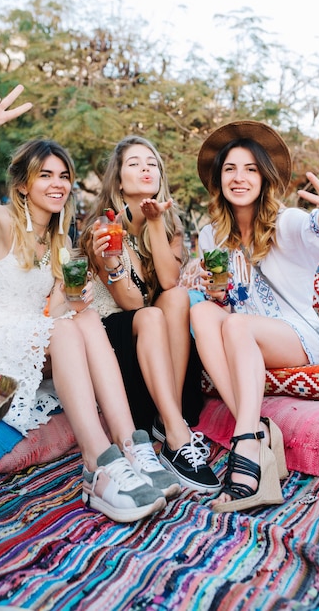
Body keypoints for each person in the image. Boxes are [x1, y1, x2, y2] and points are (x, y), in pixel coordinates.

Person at [0, 85, 181, 523]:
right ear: (25, 183)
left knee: (83, 317)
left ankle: (132, 446)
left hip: (32, 341)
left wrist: (75, 298)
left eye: (63, 176)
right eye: (46, 175)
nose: (58, 184)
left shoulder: (61, 245)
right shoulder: (0, 222)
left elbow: (55, 312)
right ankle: (98, 463)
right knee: (73, 325)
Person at [190, 120, 319, 512]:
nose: (239, 177)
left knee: (234, 322)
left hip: (297, 336)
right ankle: (259, 431)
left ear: (264, 177)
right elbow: (230, 306)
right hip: (243, 332)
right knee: (202, 313)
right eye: (230, 169)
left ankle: (244, 440)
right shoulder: (212, 235)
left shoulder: (287, 222)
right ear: (219, 179)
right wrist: (216, 295)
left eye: (250, 169)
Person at [80, 135, 220, 493]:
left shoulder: (170, 229)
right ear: (118, 179)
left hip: (160, 357)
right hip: (117, 342)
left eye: (152, 164)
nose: (145, 169)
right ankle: (175, 436)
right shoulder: (103, 229)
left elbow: (170, 282)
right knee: (153, 315)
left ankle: (167, 418)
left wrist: (155, 222)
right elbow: (130, 304)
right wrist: (110, 261)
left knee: (175, 299)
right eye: (134, 163)